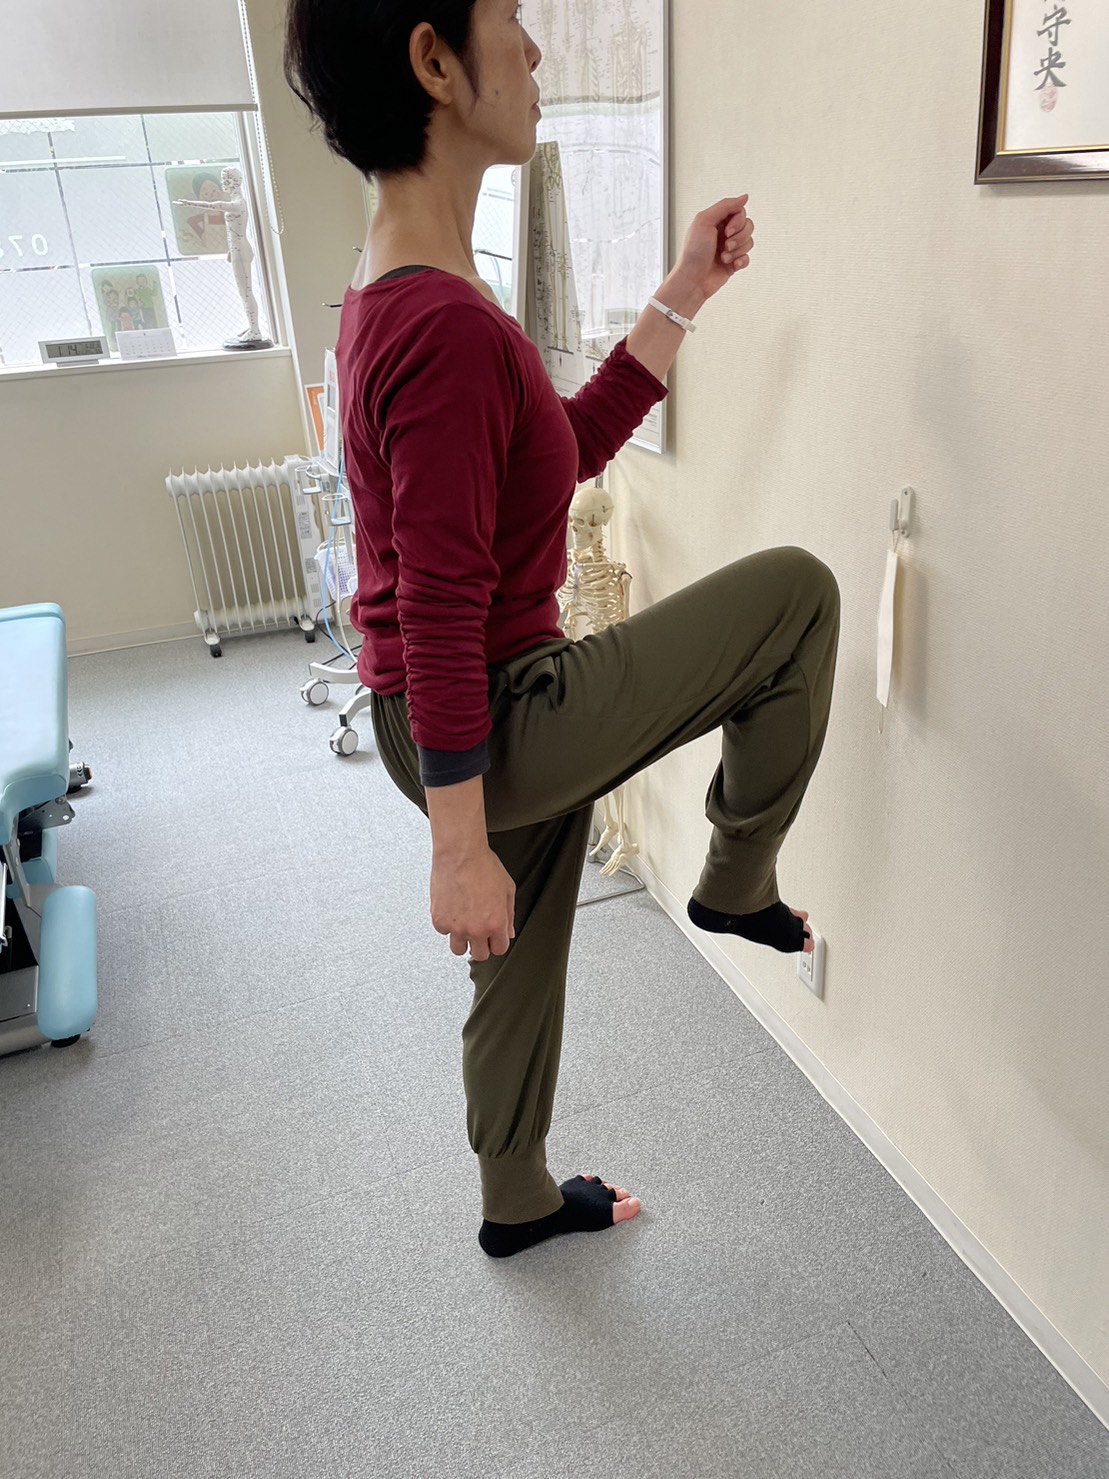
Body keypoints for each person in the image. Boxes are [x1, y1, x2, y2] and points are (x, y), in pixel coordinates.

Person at [284, 0, 841, 1260]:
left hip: (465, 701)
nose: (534, 53)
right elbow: (436, 604)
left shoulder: (403, 288)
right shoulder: (440, 325)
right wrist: (456, 848)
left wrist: (681, 293)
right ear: (433, 60)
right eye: (509, 22)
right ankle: (735, 881)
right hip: (484, 706)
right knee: (796, 595)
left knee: (520, 951)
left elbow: (563, 454)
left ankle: (515, 1196)